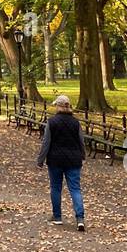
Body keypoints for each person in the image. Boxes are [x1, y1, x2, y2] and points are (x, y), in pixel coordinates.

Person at [36, 94, 85, 232]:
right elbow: (81, 141)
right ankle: (80, 218)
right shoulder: (76, 123)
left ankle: (57, 216)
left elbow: (46, 143)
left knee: (56, 187)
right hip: (74, 159)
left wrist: (40, 160)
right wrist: (83, 155)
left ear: (58, 106)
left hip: (55, 159)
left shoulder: (52, 122)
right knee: (75, 189)